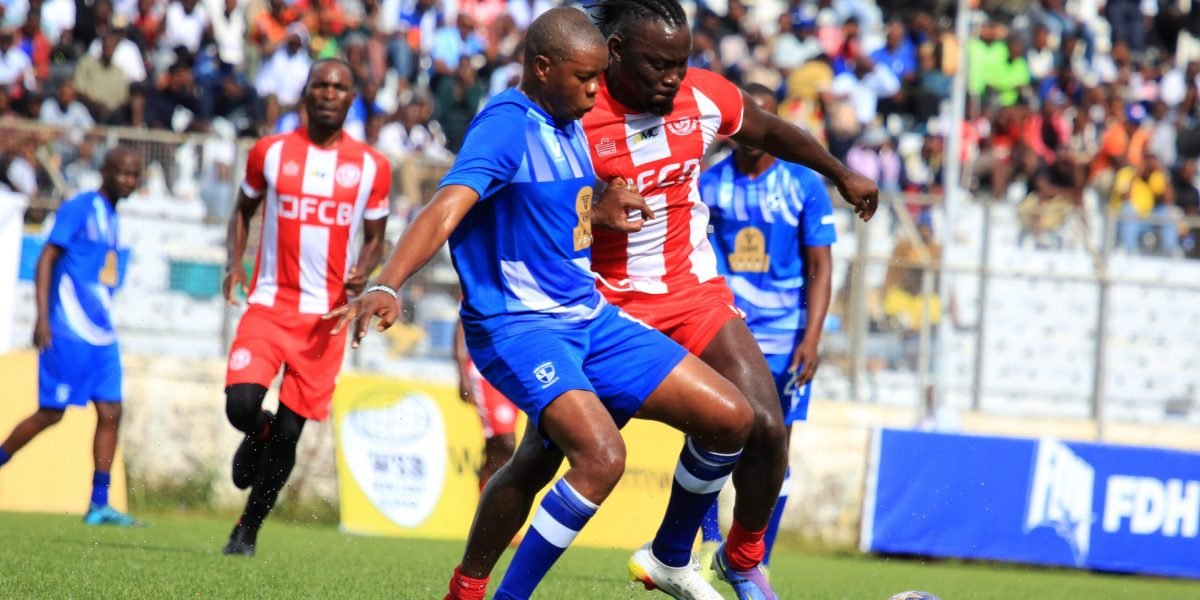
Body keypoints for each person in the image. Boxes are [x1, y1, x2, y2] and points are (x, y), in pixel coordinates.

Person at [447, 2, 878, 599]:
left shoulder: (701, 97)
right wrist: (597, 206)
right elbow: (534, 200)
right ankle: (469, 583)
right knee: (543, 460)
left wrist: (839, 172)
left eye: (681, 62)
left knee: (765, 425)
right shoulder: (574, 111)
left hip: (692, 290)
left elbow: (769, 129)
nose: (673, 77)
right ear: (616, 53)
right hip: (602, 304)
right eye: (658, 64)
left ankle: (721, 558)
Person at [326, 9, 751, 599]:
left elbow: (550, 205)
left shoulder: (567, 118)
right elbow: (447, 206)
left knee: (732, 416)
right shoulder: (506, 124)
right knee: (601, 458)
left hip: (588, 316)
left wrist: (599, 208)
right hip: (520, 327)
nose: (595, 91)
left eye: (600, 77)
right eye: (585, 79)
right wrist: (388, 281)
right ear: (543, 68)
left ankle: (666, 557)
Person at [219, 58, 390, 557]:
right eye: (321, 84)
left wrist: (365, 268)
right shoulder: (270, 152)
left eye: (340, 86)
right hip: (270, 304)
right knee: (241, 405)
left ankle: (248, 529)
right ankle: (257, 432)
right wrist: (234, 263)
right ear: (306, 93)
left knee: (290, 437)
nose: (329, 93)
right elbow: (242, 212)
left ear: (351, 97)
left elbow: (377, 238)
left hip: (326, 319)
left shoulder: (371, 167)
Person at [696, 83, 838, 574]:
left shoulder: (803, 185)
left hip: (784, 341)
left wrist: (812, 338)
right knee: (711, 436)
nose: (751, 128)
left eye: (763, 117)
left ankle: (756, 561)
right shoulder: (710, 183)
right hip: (724, 331)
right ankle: (705, 547)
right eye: (744, 117)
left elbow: (821, 264)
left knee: (774, 448)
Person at [0, 147, 142, 527]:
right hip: (68, 329)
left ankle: (99, 503)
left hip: (101, 334)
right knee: (52, 412)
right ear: (106, 171)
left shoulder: (112, 216)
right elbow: (47, 257)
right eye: (124, 172)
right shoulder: (81, 207)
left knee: (112, 412)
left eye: (135, 174)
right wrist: (41, 316)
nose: (130, 180)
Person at [453, 318, 517, 490]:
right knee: (506, 443)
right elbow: (461, 322)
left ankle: (489, 510)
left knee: (496, 451)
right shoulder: (486, 290)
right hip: (485, 372)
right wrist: (462, 374)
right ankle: (488, 511)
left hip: (514, 372)